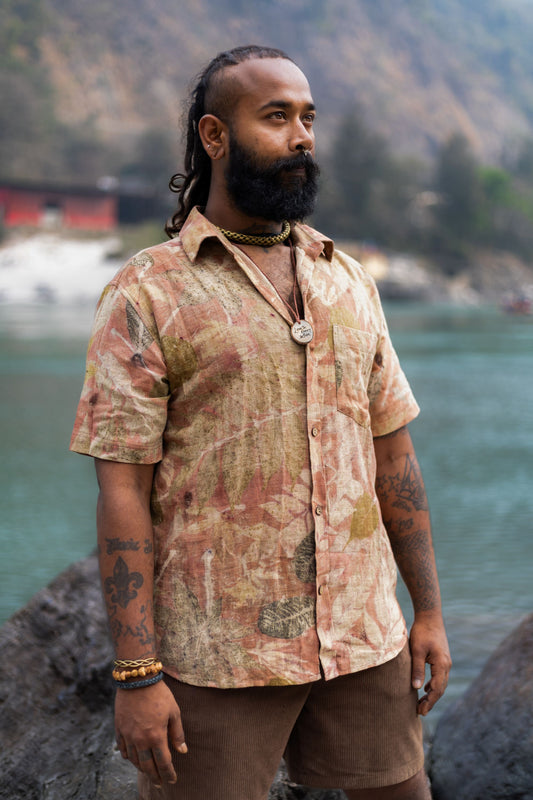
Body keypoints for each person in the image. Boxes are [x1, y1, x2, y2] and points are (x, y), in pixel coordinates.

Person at [71, 44, 451, 800]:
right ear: (215, 136)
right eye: (275, 117)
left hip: (363, 641)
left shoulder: (346, 281)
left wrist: (429, 612)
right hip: (218, 653)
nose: (301, 135)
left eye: (308, 118)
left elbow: (394, 460)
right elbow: (122, 493)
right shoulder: (146, 294)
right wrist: (137, 672)